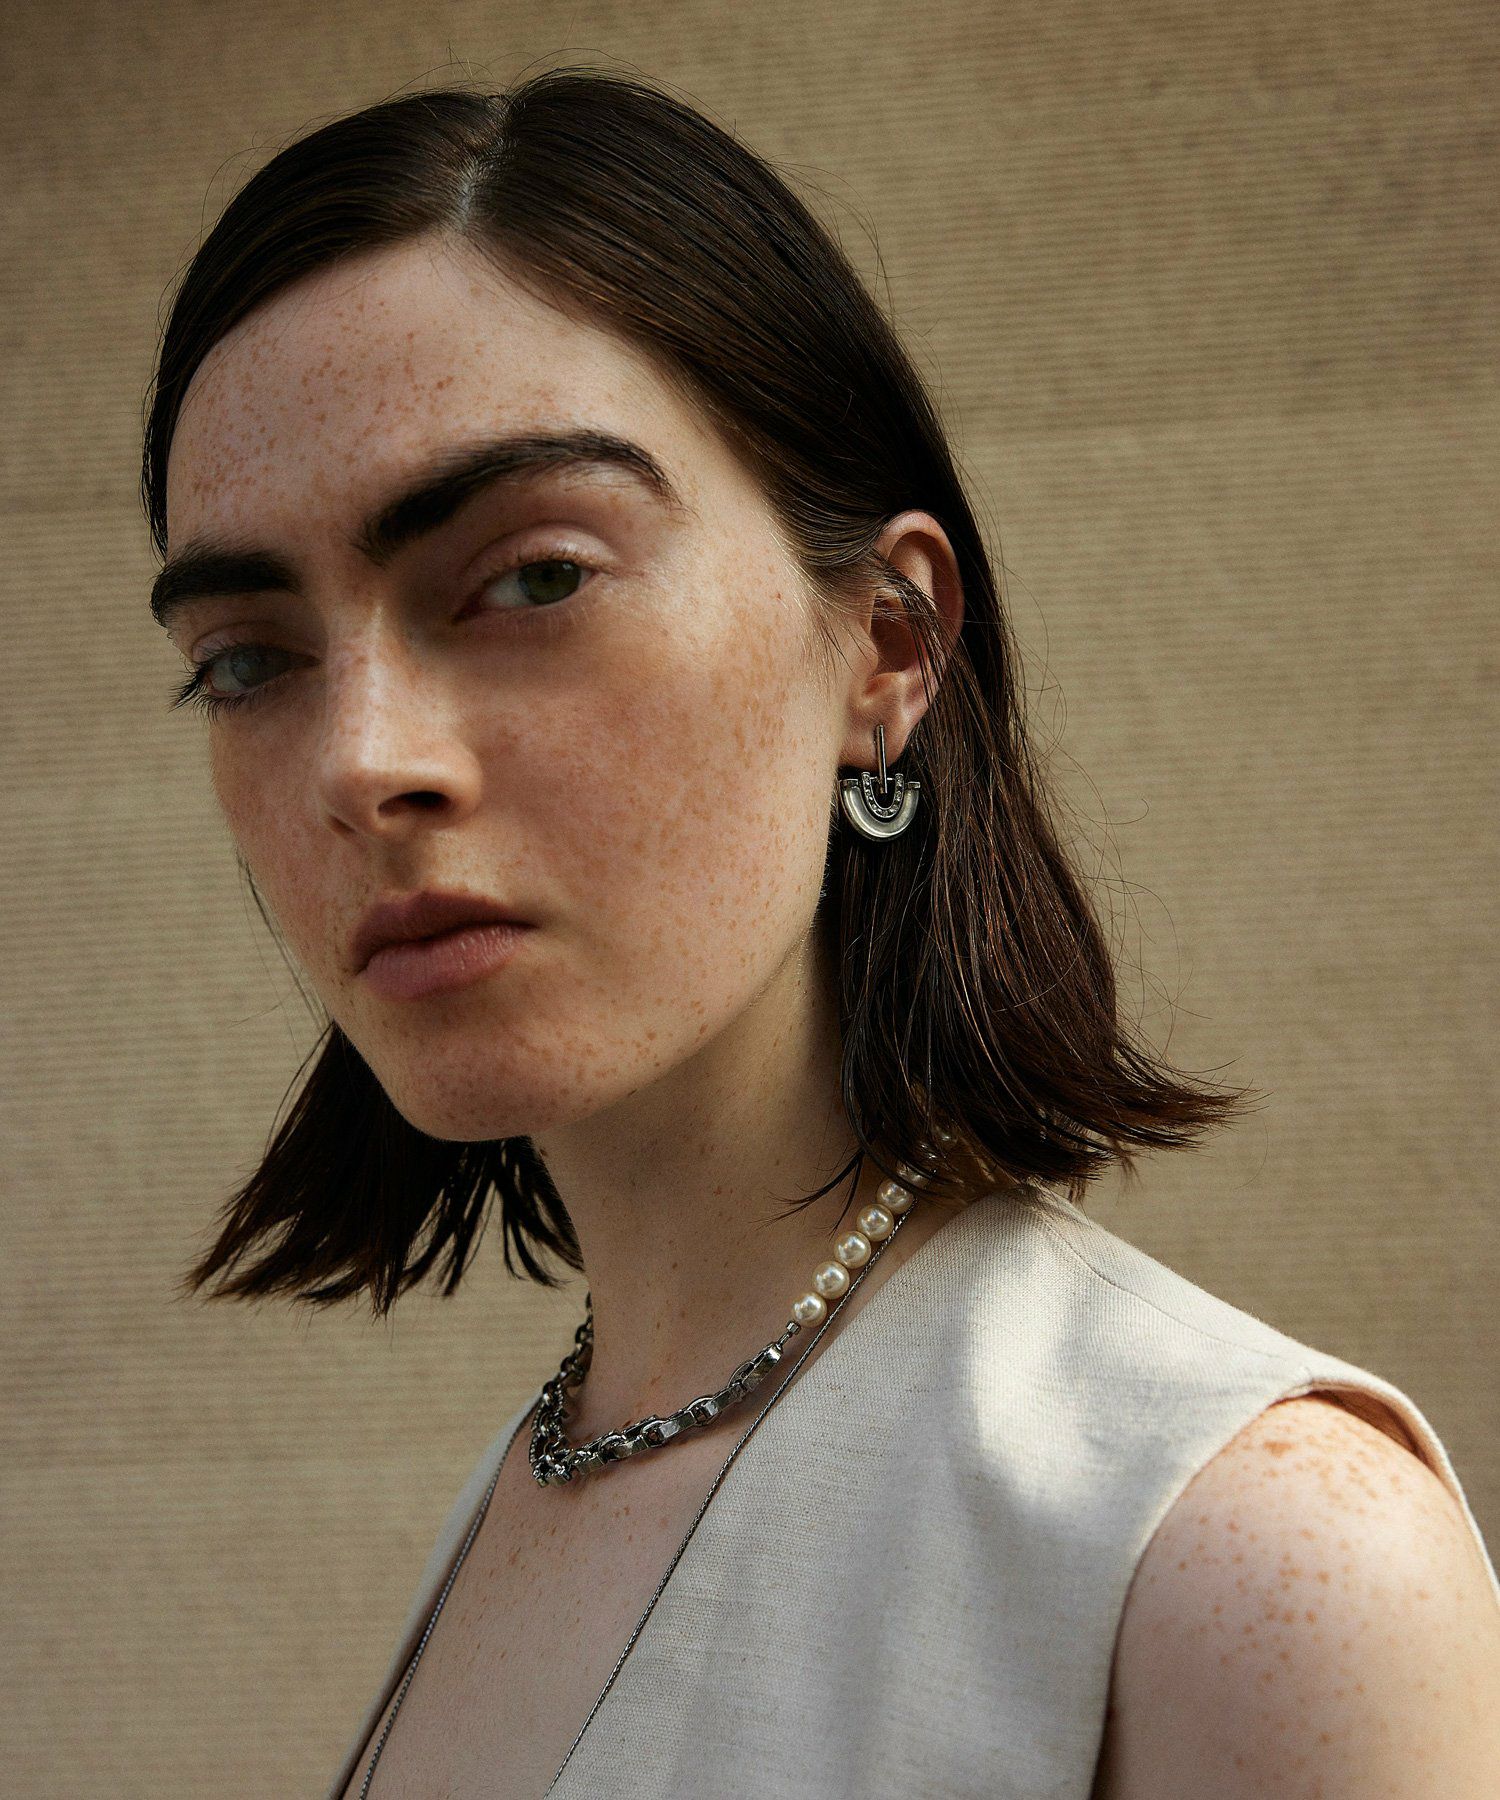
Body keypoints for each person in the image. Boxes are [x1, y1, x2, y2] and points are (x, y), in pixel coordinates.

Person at [142, 65, 1500, 1799]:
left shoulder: (1260, 1560)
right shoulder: (536, 1488)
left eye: (534, 576)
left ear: (886, 647)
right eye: (249, 660)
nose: (359, 762)